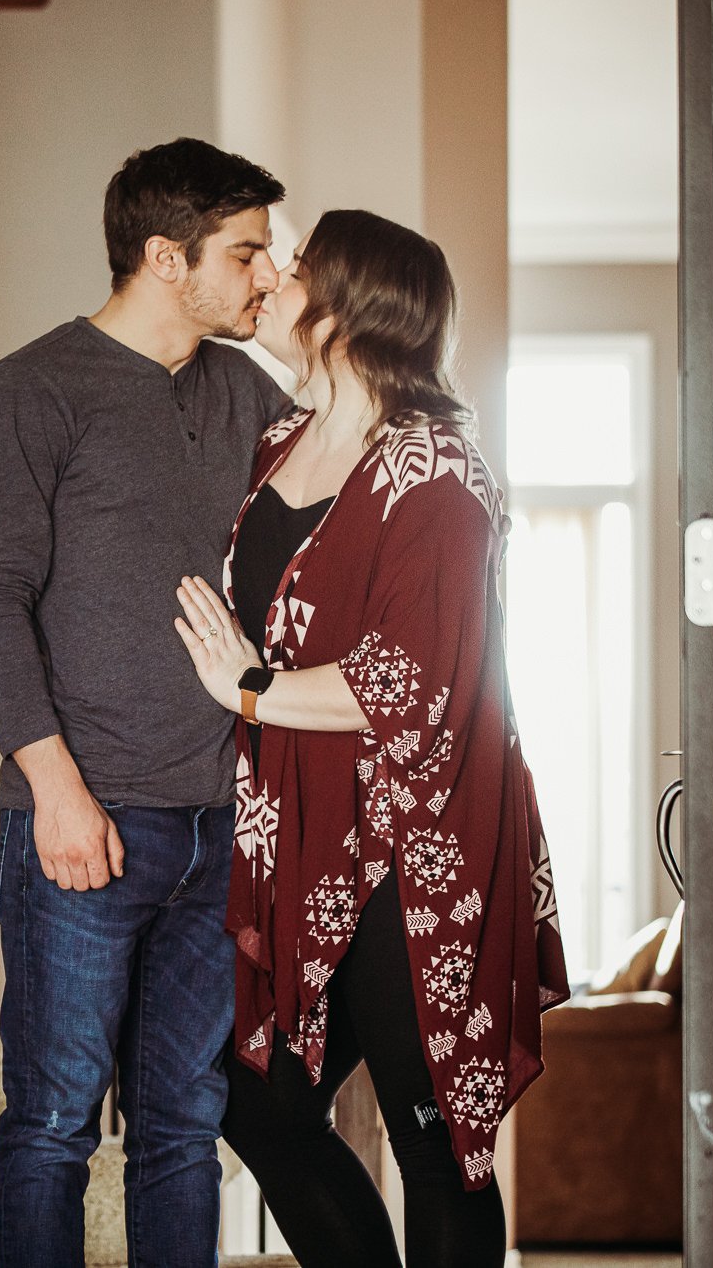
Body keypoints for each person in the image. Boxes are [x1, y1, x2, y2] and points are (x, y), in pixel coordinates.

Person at [171, 208, 571, 1267]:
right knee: (251, 1102)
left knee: (432, 1145)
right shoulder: (277, 444)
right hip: (306, 842)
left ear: (346, 309)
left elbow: (402, 680)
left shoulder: (440, 469)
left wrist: (247, 690)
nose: (273, 282)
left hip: (421, 843)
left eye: (295, 270)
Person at [0, 138, 293, 1268]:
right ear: (163, 256)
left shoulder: (242, 388)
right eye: (245, 253)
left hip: (217, 825)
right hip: (84, 824)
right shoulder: (33, 390)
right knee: (52, 1125)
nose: (265, 277)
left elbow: (345, 477)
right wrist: (53, 791)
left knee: (181, 1131)